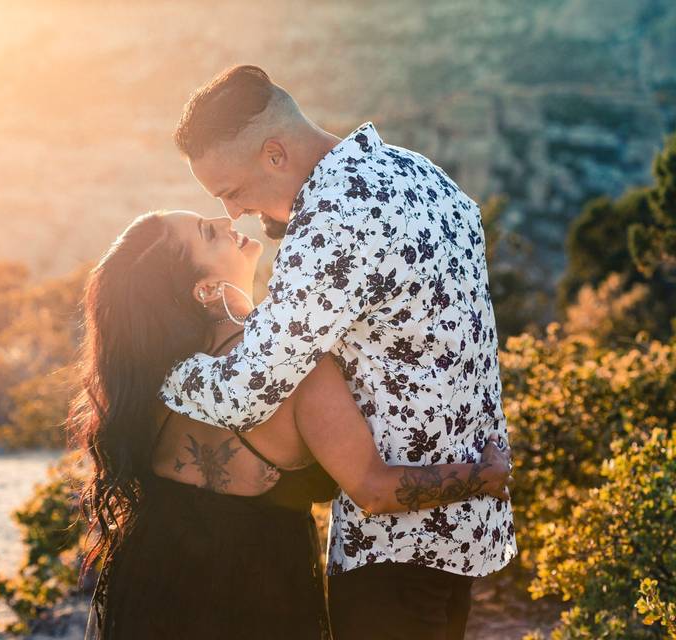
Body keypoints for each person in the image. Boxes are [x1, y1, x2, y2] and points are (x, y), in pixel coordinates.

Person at [159, 66, 517, 640]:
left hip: (394, 550)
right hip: (466, 529)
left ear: (275, 154)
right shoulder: (417, 172)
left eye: (231, 191)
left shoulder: (332, 224)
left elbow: (248, 394)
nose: (232, 213)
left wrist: (164, 371)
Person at [74, 210, 513, 640]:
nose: (228, 223)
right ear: (205, 288)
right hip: (254, 600)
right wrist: (482, 476)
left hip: (148, 584)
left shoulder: (153, 372)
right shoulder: (295, 368)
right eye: (210, 233)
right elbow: (375, 490)